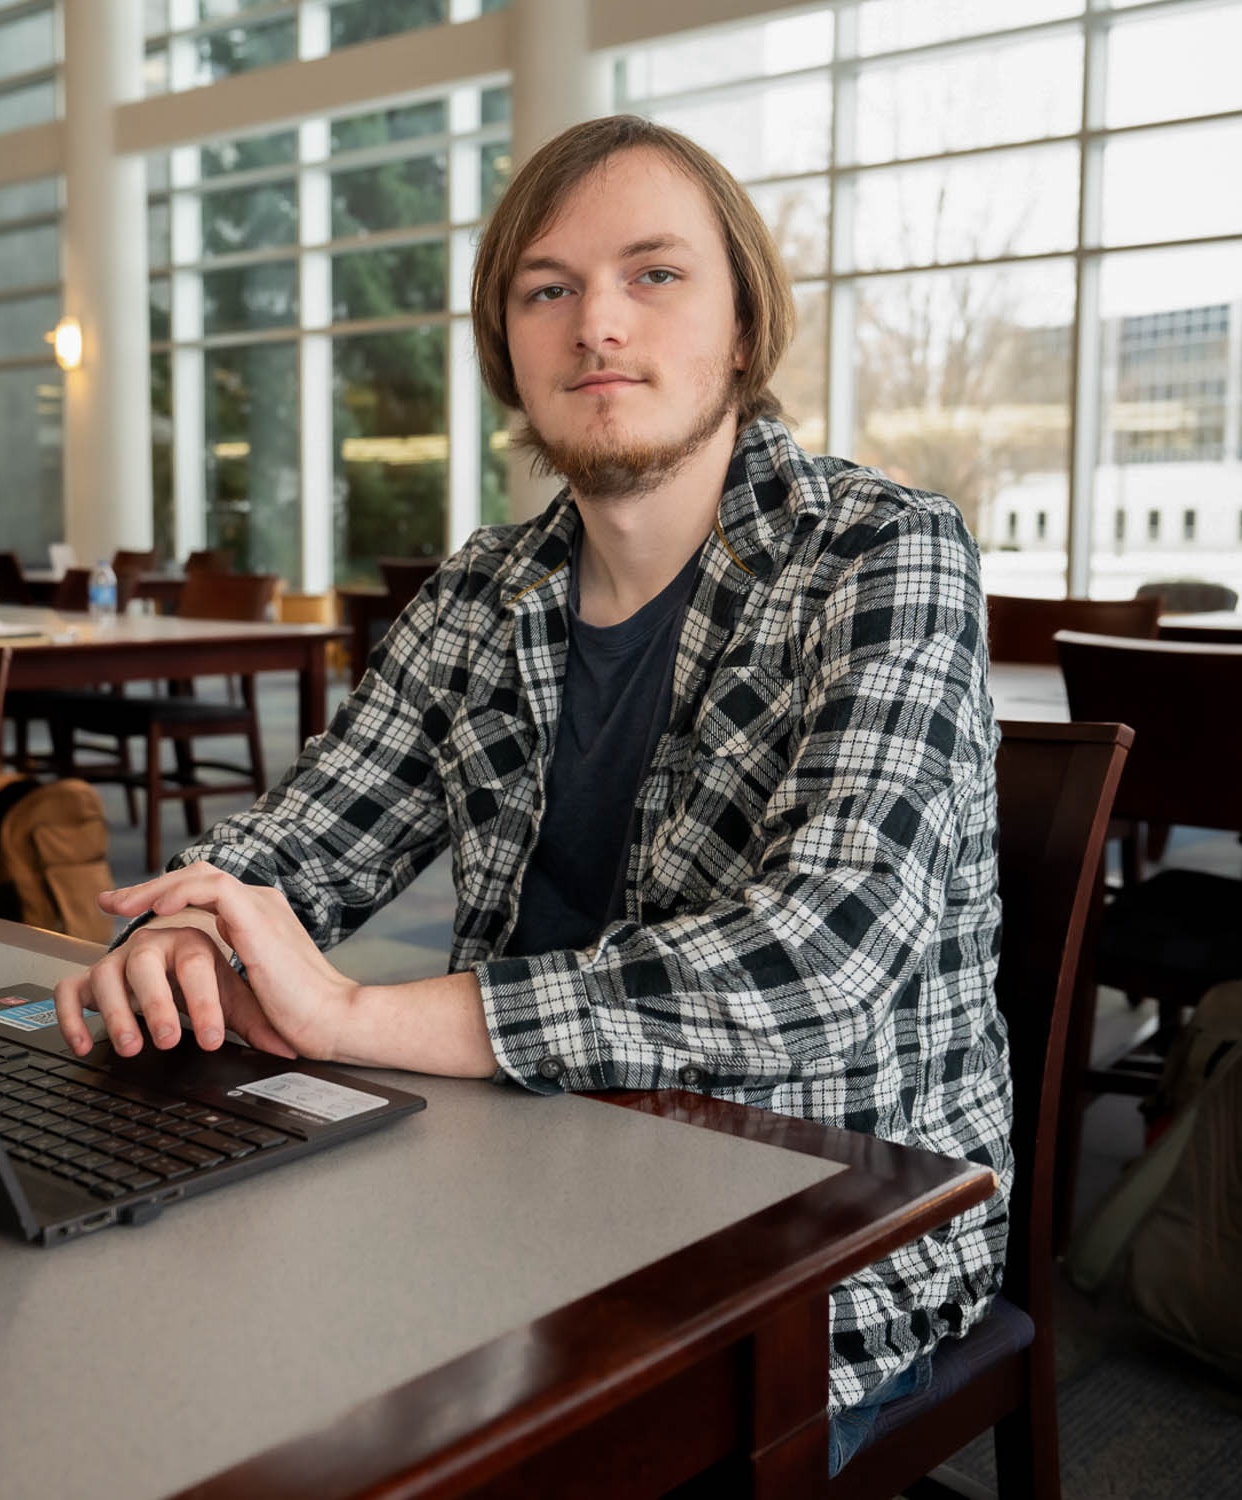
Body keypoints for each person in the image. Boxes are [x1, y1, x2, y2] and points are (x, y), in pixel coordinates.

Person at [53, 115, 1007, 1476]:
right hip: (529, 1170)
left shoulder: (885, 554)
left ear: (743, 326)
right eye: (547, 289)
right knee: (174, 1371)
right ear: (511, 343)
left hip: (827, 1222)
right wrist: (191, 929)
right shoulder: (484, 590)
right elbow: (302, 838)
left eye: (654, 275)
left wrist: (351, 1012)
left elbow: (825, 957)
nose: (595, 325)